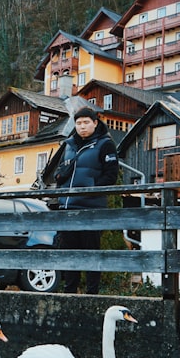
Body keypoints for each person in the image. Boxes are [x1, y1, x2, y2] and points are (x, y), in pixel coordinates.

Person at [54, 106, 120, 294]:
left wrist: (91, 191)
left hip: (91, 208)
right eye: (78, 123)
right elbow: (60, 169)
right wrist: (60, 182)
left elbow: (111, 175)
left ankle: (92, 294)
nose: (82, 126)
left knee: (91, 253)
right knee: (69, 253)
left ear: (95, 123)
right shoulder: (69, 145)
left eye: (86, 122)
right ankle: (70, 292)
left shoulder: (105, 144)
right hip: (67, 207)